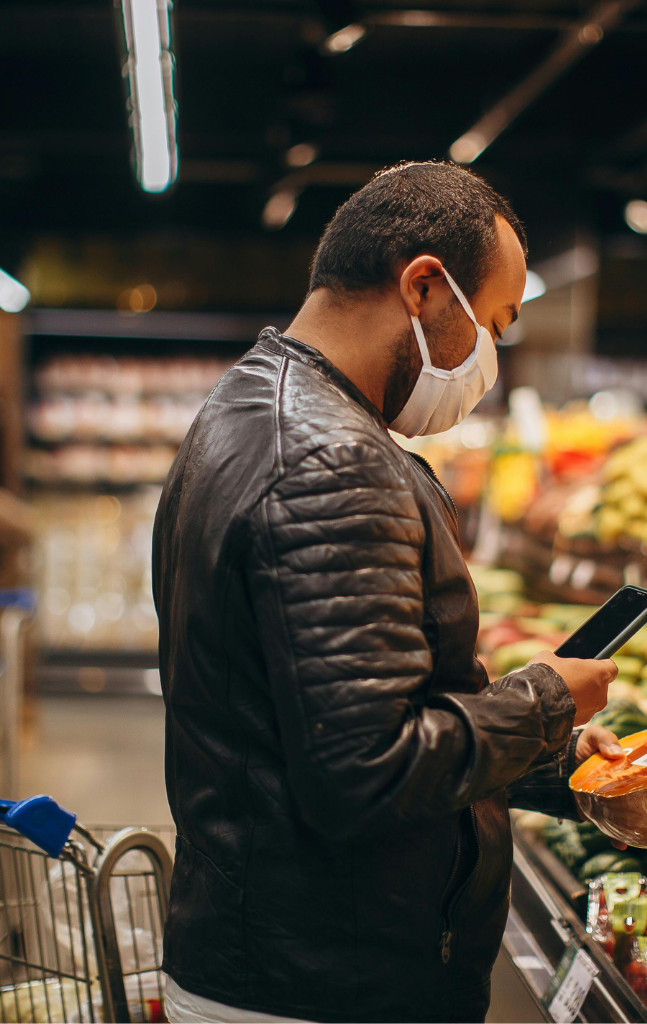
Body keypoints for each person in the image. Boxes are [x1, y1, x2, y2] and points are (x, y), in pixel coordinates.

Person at [153, 161, 623, 1024]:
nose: (489, 358)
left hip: (276, 955)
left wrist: (552, 762)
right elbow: (365, 773)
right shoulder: (329, 459)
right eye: (493, 323)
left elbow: (316, 721)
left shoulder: (250, 404)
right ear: (423, 287)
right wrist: (546, 699)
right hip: (326, 983)